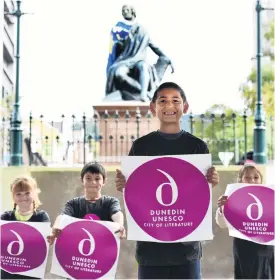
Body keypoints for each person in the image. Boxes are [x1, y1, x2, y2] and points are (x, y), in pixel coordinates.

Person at [115, 82, 219, 279]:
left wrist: (210, 182)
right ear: (153, 108)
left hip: (186, 251)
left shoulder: (197, 147)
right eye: (163, 100)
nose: (169, 105)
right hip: (150, 250)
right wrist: (124, 186)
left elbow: (199, 195)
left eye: (175, 100)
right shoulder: (141, 146)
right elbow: (136, 195)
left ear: (185, 107)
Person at [216, 164, 274, 279]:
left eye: (256, 177)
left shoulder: (269, 198)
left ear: (261, 180)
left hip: (265, 247)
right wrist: (222, 209)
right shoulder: (230, 198)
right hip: (244, 248)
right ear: (240, 180)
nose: (252, 180)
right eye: (247, 177)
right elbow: (222, 224)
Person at [48, 162, 126, 244]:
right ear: (82, 180)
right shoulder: (73, 204)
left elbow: (117, 214)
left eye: (97, 179)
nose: (93, 182)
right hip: (78, 250)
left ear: (104, 181)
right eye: (88, 178)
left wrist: (120, 225)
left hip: (103, 250)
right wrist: (56, 227)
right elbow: (62, 217)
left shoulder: (111, 202)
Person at [106, 23, 174, 102]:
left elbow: (157, 49)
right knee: (119, 74)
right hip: (126, 62)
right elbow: (119, 50)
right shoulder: (127, 40)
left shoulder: (145, 38)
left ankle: (143, 94)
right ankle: (144, 91)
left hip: (139, 61)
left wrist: (169, 59)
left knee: (144, 66)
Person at [1, 176, 50, 279]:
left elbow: (44, 244)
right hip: (9, 274)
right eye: (18, 194)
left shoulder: (42, 217)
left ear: (34, 194)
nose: (23, 197)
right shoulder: (5, 218)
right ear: (13, 197)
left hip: (32, 273)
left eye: (27, 193)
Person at [106, 4, 136, 75]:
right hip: (121, 55)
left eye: (127, 10)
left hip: (135, 54)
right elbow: (114, 42)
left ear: (132, 11)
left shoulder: (138, 27)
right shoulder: (119, 26)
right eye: (123, 11)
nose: (125, 12)